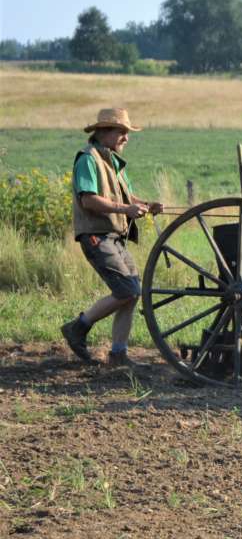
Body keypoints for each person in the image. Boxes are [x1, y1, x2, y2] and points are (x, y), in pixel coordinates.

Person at [60, 108, 163, 367]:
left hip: (113, 237)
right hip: (96, 236)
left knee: (132, 291)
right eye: (122, 132)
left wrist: (147, 204)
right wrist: (125, 210)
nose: (126, 138)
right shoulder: (88, 159)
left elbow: (126, 199)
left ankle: (118, 353)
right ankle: (78, 327)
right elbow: (89, 199)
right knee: (126, 289)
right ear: (104, 132)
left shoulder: (113, 162)